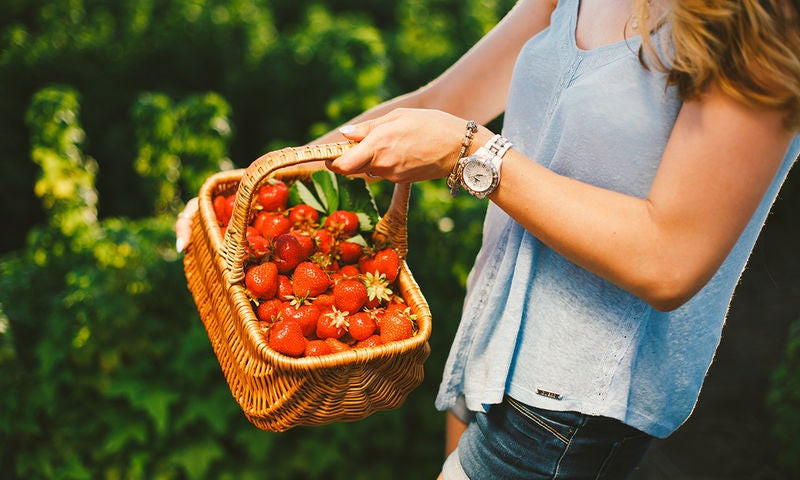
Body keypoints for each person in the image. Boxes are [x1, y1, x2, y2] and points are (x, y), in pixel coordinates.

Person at [176, 0, 800, 477]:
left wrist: (471, 153)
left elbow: (670, 260)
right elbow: (443, 98)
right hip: (492, 342)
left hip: (571, 399)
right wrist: (257, 188)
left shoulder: (759, 25)